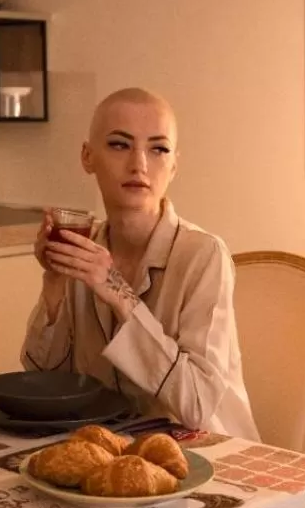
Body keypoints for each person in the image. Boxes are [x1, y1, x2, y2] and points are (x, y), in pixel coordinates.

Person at [21, 88, 260, 439]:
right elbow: (44, 380)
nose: (139, 165)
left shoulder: (204, 255)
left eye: (158, 149)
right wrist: (54, 283)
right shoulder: (85, 248)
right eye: (120, 144)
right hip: (114, 450)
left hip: (210, 455)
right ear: (87, 157)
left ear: (174, 165)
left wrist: (118, 294)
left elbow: (196, 405)